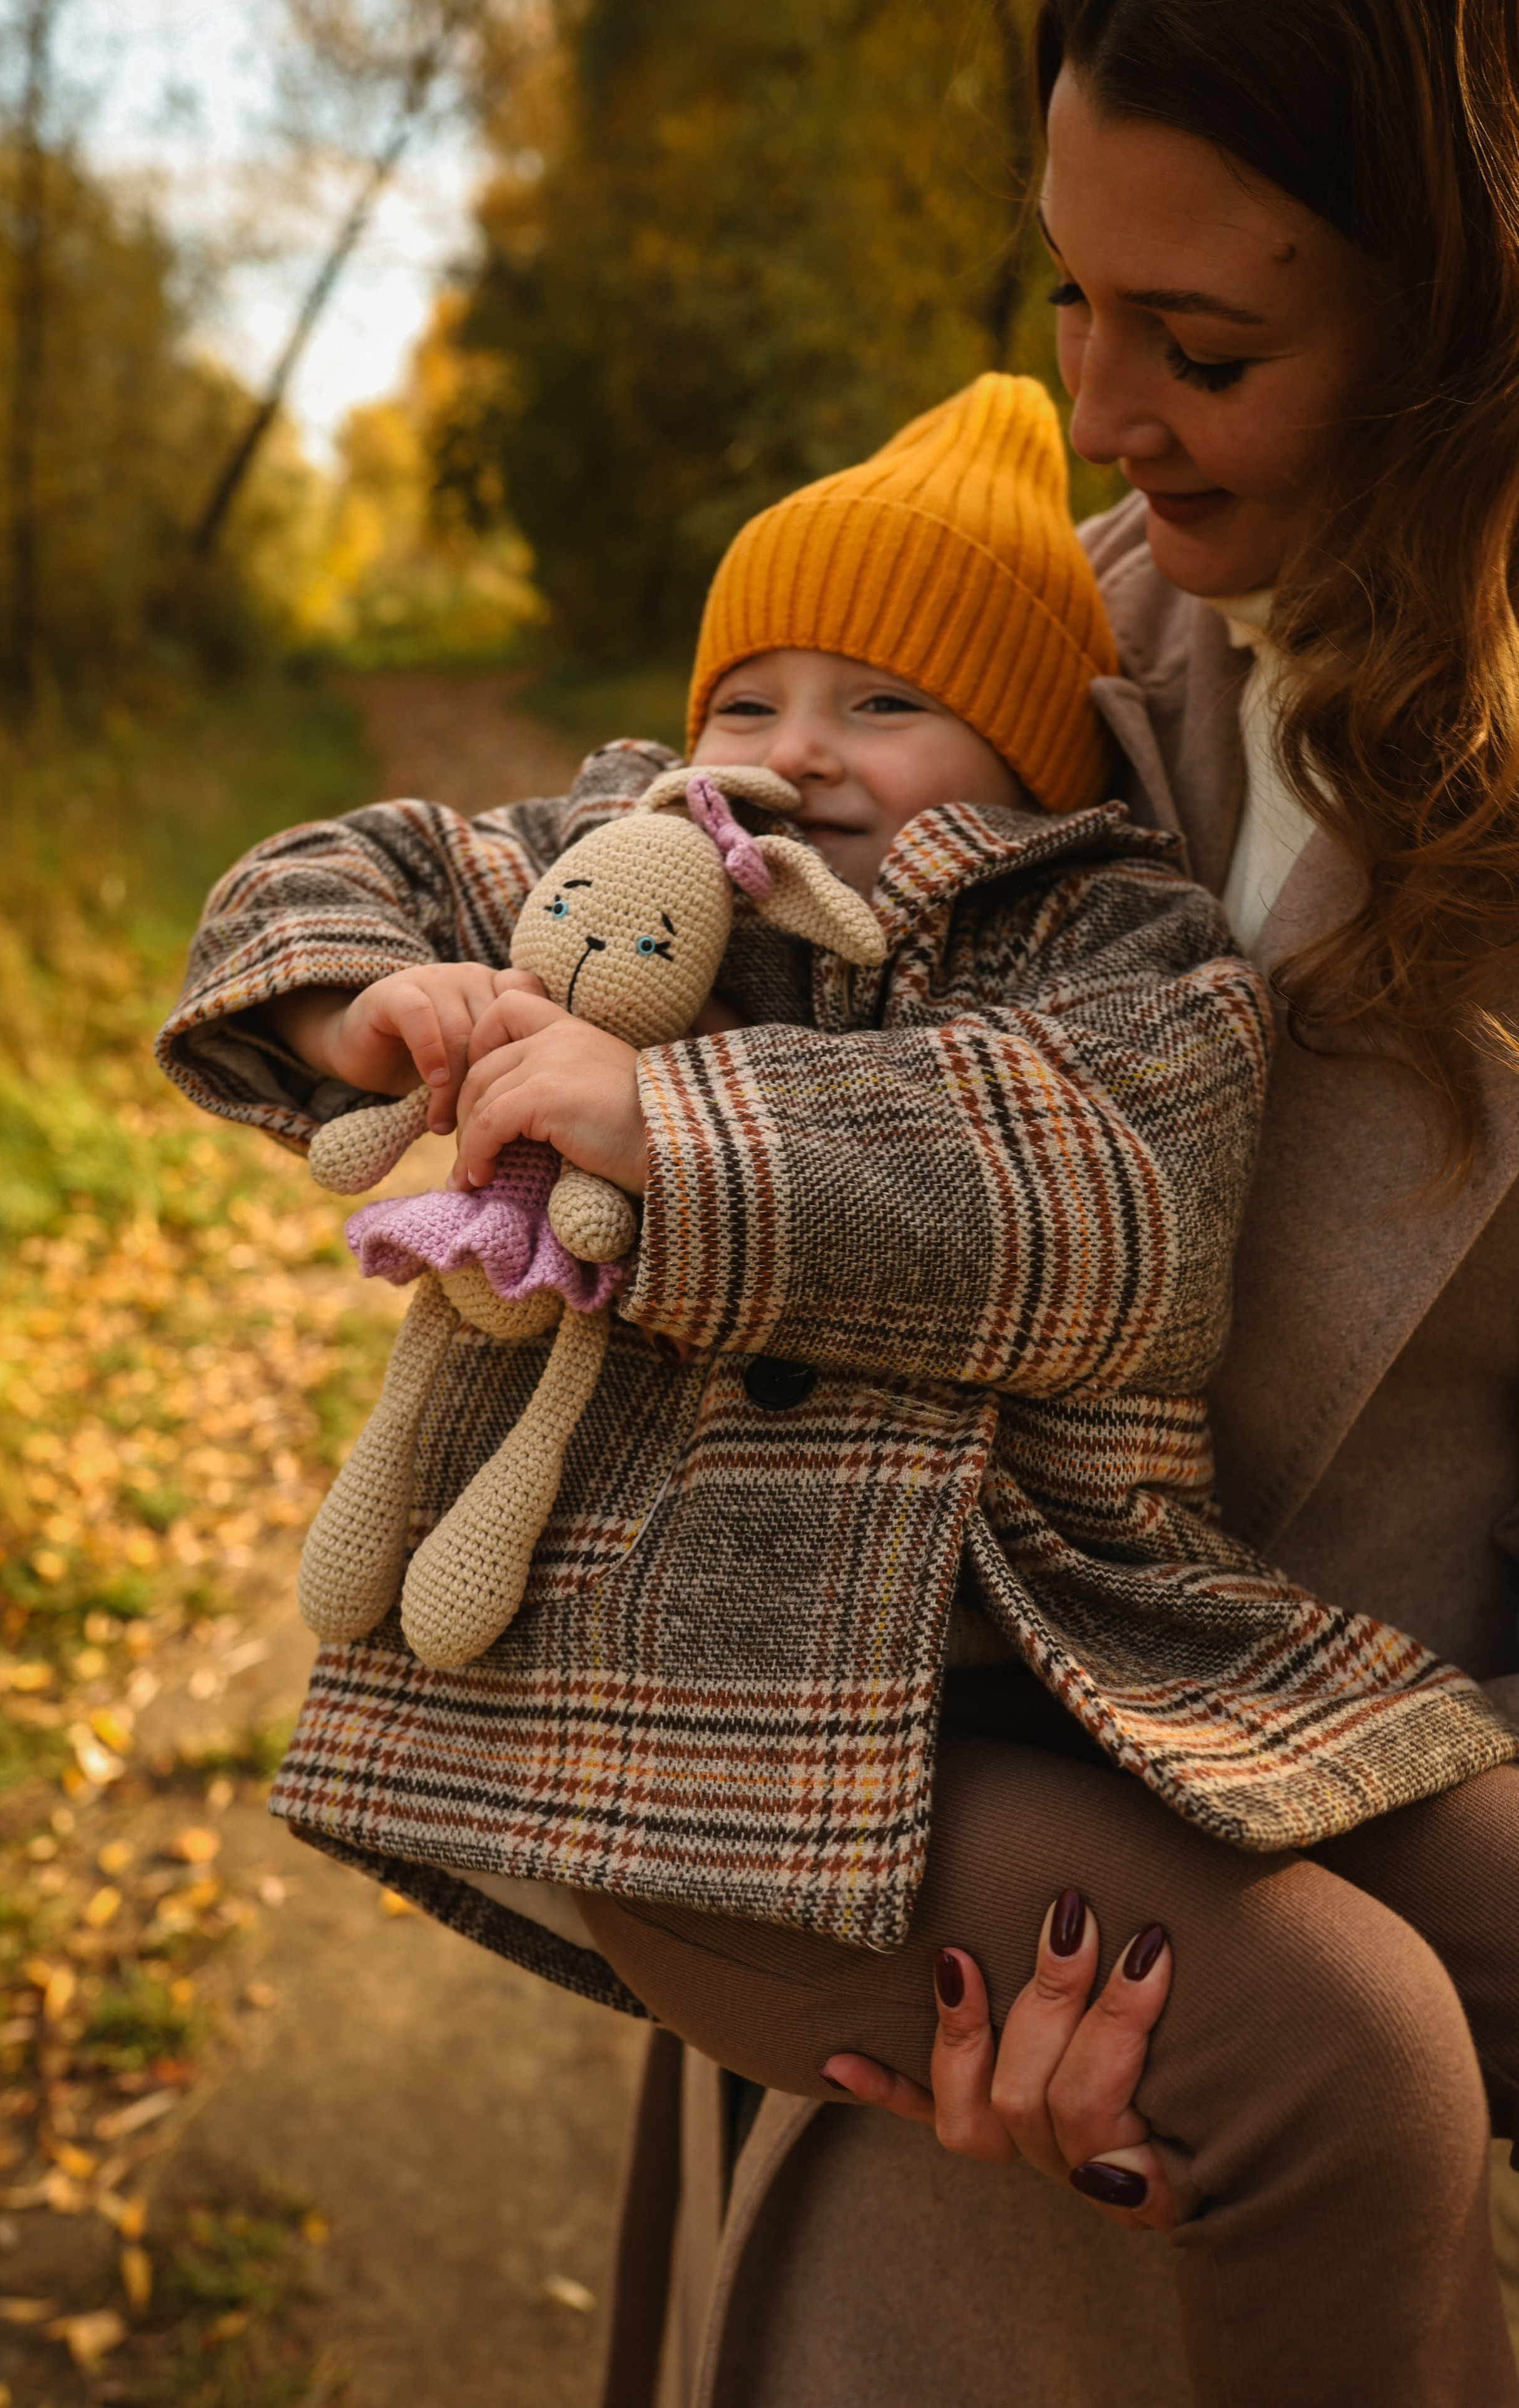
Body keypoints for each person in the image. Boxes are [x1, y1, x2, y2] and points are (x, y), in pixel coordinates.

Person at [572, 3, 1519, 2404]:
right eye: (1073, 298)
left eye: (1205, 347)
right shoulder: (1004, 650)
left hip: (1349, 1930)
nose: (1098, 411)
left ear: (1469, 336)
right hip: (909, 1944)